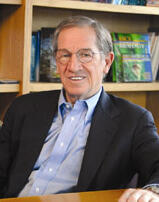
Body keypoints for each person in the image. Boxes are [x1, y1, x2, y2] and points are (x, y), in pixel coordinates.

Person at [0, 16, 159, 202]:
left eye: (85, 55)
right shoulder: (23, 107)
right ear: (57, 63)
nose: (73, 67)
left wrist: (153, 191)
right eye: (65, 55)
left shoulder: (133, 120)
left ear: (107, 62)